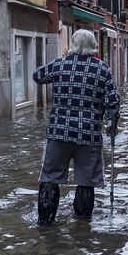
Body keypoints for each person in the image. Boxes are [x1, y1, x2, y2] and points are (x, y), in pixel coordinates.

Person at [32, 29, 120, 225]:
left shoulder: (60, 64)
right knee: (86, 180)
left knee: (49, 177)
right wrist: (111, 125)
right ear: (93, 46)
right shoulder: (102, 69)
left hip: (58, 133)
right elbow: (113, 102)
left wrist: (60, 69)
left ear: (72, 45)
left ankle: (45, 225)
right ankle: (82, 225)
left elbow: (37, 76)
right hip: (88, 135)